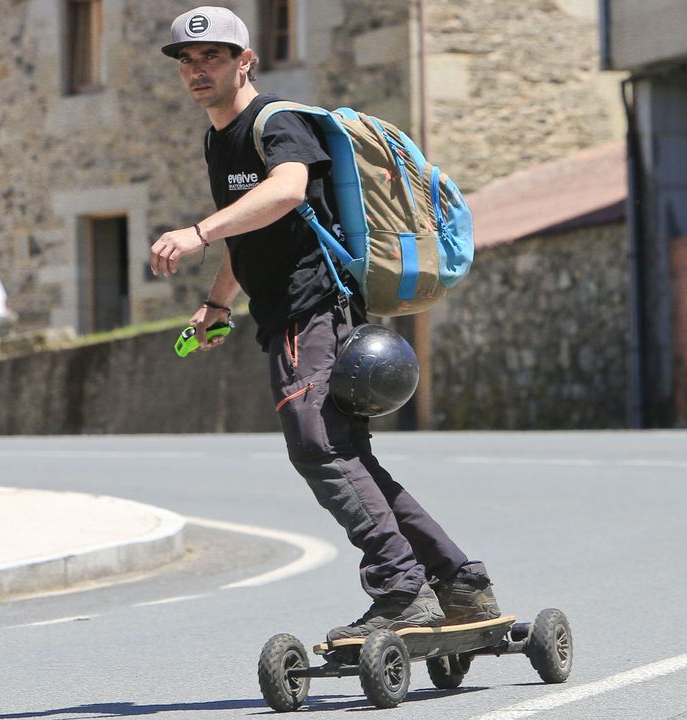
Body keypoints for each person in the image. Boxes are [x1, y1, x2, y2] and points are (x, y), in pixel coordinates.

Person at [150, 6, 500, 642]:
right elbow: (250, 230)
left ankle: (401, 590)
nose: (198, 70)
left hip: (313, 311)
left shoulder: (275, 122)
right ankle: (461, 583)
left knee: (320, 449)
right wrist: (218, 304)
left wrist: (198, 231)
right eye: (187, 60)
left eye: (213, 57)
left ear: (245, 61)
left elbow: (286, 190)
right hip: (289, 315)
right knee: (347, 455)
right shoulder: (218, 139)